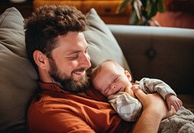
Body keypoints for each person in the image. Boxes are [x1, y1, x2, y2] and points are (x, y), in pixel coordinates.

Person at [24, 5, 175, 133]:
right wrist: (154, 109)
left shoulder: (91, 79)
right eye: (74, 56)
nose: (88, 64)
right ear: (41, 59)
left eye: (86, 51)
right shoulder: (49, 112)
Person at [91, 60, 183, 122]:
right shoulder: (116, 100)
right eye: (106, 89)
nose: (113, 86)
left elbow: (158, 84)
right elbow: (131, 115)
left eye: (115, 79)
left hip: (178, 113)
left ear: (127, 76)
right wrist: (128, 95)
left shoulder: (142, 84)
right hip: (160, 125)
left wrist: (169, 95)